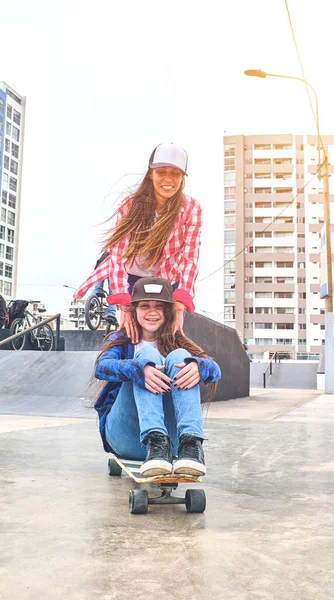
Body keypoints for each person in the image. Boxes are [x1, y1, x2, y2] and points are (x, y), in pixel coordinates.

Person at [74, 142, 201, 343]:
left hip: (168, 279)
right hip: (133, 277)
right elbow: (117, 258)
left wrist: (179, 303)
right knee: (132, 332)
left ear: (182, 178)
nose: (168, 179)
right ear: (151, 174)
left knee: (169, 335)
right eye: (161, 172)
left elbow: (190, 258)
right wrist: (124, 304)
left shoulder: (191, 208)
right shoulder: (131, 205)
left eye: (175, 173)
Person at [94, 276, 221, 477]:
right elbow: (102, 367)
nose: (152, 312)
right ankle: (154, 439)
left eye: (159, 307)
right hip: (126, 436)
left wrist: (200, 367)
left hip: (171, 443)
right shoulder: (122, 339)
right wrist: (138, 368)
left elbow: (215, 369)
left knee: (182, 357)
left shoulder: (176, 340)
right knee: (146, 357)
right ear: (134, 310)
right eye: (145, 306)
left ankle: (191, 445)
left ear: (168, 311)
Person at [91, 251, 119, 327]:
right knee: (112, 293)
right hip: (110, 270)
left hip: (99, 269)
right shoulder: (116, 253)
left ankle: (91, 303)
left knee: (97, 288)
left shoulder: (106, 252)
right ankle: (111, 314)